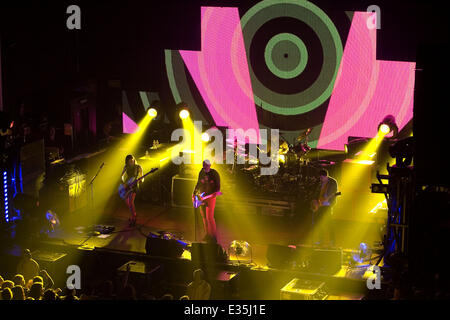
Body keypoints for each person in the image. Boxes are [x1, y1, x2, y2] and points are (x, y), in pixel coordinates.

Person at [192, 160, 221, 242]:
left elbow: (217, 190)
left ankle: (214, 237)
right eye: (203, 165)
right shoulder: (201, 172)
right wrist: (193, 193)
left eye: (206, 165)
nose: (205, 167)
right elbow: (198, 183)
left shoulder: (214, 173)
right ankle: (207, 234)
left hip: (210, 197)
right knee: (204, 216)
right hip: (202, 197)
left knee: (209, 217)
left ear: (210, 165)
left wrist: (208, 197)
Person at [311, 169, 338, 247]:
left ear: (326, 176)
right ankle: (320, 240)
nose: (320, 179)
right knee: (319, 223)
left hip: (328, 205)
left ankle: (332, 241)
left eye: (322, 178)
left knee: (329, 224)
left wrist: (328, 198)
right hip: (320, 205)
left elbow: (334, 193)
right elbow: (317, 192)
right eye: (320, 178)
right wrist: (315, 200)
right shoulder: (320, 182)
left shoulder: (333, 182)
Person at [121, 155, 143, 226]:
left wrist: (141, 180)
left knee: (131, 201)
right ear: (127, 162)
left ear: (134, 159)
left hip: (134, 186)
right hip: (127, 185)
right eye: (130, 161)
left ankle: (133, 218)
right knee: (127, 201)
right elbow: (121, 176)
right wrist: (123, 183)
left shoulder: (138, 167)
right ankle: (134, 214)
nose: (131, 162)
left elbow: (142, 177)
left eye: (132, 160)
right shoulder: (126, 167)